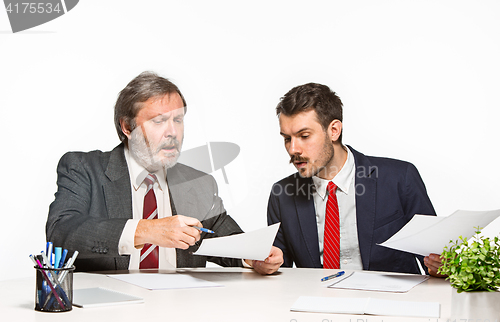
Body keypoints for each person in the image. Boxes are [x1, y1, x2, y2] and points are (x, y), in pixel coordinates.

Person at [46, 71, 282, 275]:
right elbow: (61, 231)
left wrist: (254, 256)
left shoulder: (199, 183)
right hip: (111, 312)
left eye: (178, 120)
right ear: (127, 127)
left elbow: (226, 241)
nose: (173, 132)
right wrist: (148, 230)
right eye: (159, 121)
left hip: (181, 311)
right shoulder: (85, 169)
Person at [267, 83, 444, 277]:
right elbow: (277, 267)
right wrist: (266, 263)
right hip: (317, 302)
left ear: (334, 130)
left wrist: (441, 265)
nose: (293, 149)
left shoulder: (399, 178)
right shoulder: (282, 194)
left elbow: (435, 258)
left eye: (304, 136)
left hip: (389, 302)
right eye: (287, 138)